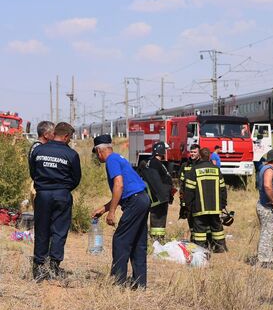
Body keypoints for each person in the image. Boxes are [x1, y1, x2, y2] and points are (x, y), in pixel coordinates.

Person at [92, 135, 150, 289]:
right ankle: (140, 283)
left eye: (96, 154)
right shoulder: (119, 158)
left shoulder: (111, 160)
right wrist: (104, 209)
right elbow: (125, 191)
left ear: (99, 151)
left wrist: (112, 213)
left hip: (135, 202)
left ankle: (118, 282)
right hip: (142, 199)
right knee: (138, 242)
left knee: (120, 240)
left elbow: (119, 185)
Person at [29, 122, 81, 282]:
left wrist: (43, 186)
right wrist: (63, 189)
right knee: (59, 231)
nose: (70, 140)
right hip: (62, 195)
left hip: (43, 195)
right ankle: (54, 266)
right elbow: (76, 178)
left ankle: (38, 267)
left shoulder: (38, 150)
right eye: (70, 137)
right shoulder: (71, 155)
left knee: (41, 229)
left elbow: (33, 172)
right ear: (65, 136)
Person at [184, 148, 229, 252]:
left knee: (200, 230)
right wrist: (223, 204)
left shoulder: (194, 170)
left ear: (199, 155)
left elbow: (189, 190)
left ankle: (200, 249)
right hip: (215, 206)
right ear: (209, 156)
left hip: (199, 207)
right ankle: (220, 248)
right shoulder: (216, 170)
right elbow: (223, 189)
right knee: (217, 228)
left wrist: (189, 205)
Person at [139, 142, 173, 242]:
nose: (165, 153)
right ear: (161, 152)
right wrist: (162, 196)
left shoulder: (154, 163)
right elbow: (155, 181)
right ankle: (157, 240)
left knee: (158, 219)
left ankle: (157, 239)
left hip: (159, 197)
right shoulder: (155, 163)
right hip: (159, 198)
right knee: (158, 219)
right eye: (165, 151)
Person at [256, 148, 273, 267]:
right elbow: (267, 186)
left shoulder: (267, 168)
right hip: (268, 207)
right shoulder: (269, 170)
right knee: (267, 233)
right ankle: (263, 260)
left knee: (271, 232)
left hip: (269, 206)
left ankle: (270, 257)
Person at [179, 144, 200, 232]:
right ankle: (193, 238)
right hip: (188, 198)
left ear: (199, 153)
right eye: (191, 152)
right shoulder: (185, 165)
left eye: (195, 152)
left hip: (199, 197)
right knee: (190, 219)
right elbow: (182, 183)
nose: (192, 154)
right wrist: (182, 198)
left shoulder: (202, 165)